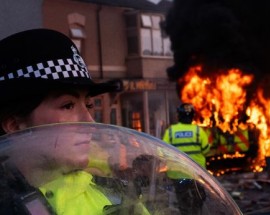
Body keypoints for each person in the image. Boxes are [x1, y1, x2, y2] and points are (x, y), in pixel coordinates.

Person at [0, 28, 151, 215]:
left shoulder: (116, 197)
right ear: (14, 126)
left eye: (89, 104)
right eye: (68, 105)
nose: (89, 122)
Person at [162, 103, 210, 215]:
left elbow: (162, 151)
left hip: (177, 174)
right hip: (196, 174)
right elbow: (206, 150)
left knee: (183, 200)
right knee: (198, 197)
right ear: (192, 116)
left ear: (178, 116)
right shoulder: (198, 131)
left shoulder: (170, 132)